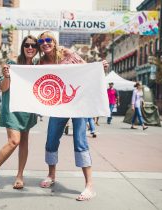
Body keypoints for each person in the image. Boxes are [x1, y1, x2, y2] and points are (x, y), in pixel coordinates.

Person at [36, 31, 108, 201]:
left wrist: (99, 68)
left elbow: (85, 70)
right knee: (51, 139)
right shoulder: (42, 61)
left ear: (54, 42)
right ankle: (51, 175)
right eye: (41, 41)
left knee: (80, 140)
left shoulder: (67, 53)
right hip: (59, 105)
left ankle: (90, 185)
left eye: (48, 40)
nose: (45, 43)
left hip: (78, 103)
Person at [0, 35, 38, 193]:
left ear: (36, 49)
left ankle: (20, 175)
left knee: (24, 142)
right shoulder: (12, 65)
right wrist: (7, 75)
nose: (30, 48)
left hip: (28, 110)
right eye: (27, 45)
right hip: (12, 110)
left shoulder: (37, 67)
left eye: (33, 45)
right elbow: (3, 88)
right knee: (14, 141)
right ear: (23, 47)